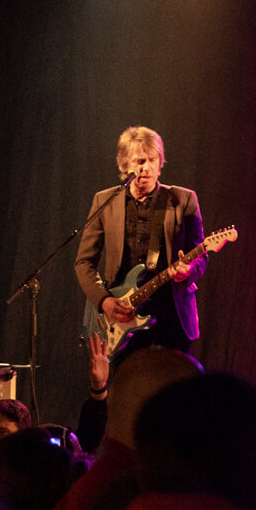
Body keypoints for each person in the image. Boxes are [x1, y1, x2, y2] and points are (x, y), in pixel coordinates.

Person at [74, 127, 209, 368]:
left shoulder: (183, 199)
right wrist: (104, 301)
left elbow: (201, 255)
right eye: (139, 161)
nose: (146, 167)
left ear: (160, 164)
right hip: (123, 316)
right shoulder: (104, 201)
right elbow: (84, 262)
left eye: (152, 160)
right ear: (125, 166)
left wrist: (188, 271)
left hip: (172, 316)